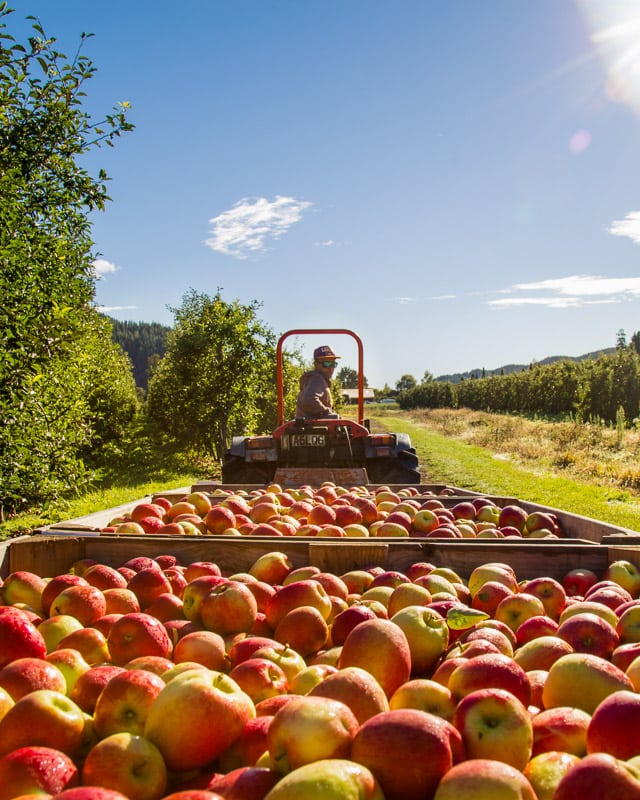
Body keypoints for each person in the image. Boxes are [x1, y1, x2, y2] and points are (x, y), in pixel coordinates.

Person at [295, 345, 341, 418]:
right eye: (326, 364)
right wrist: (328, 412)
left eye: (333, 364)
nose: (330, 368)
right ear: (316, 364)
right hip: (312, 427)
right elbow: (309, 401)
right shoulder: (317, 379)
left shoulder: (316, 379)